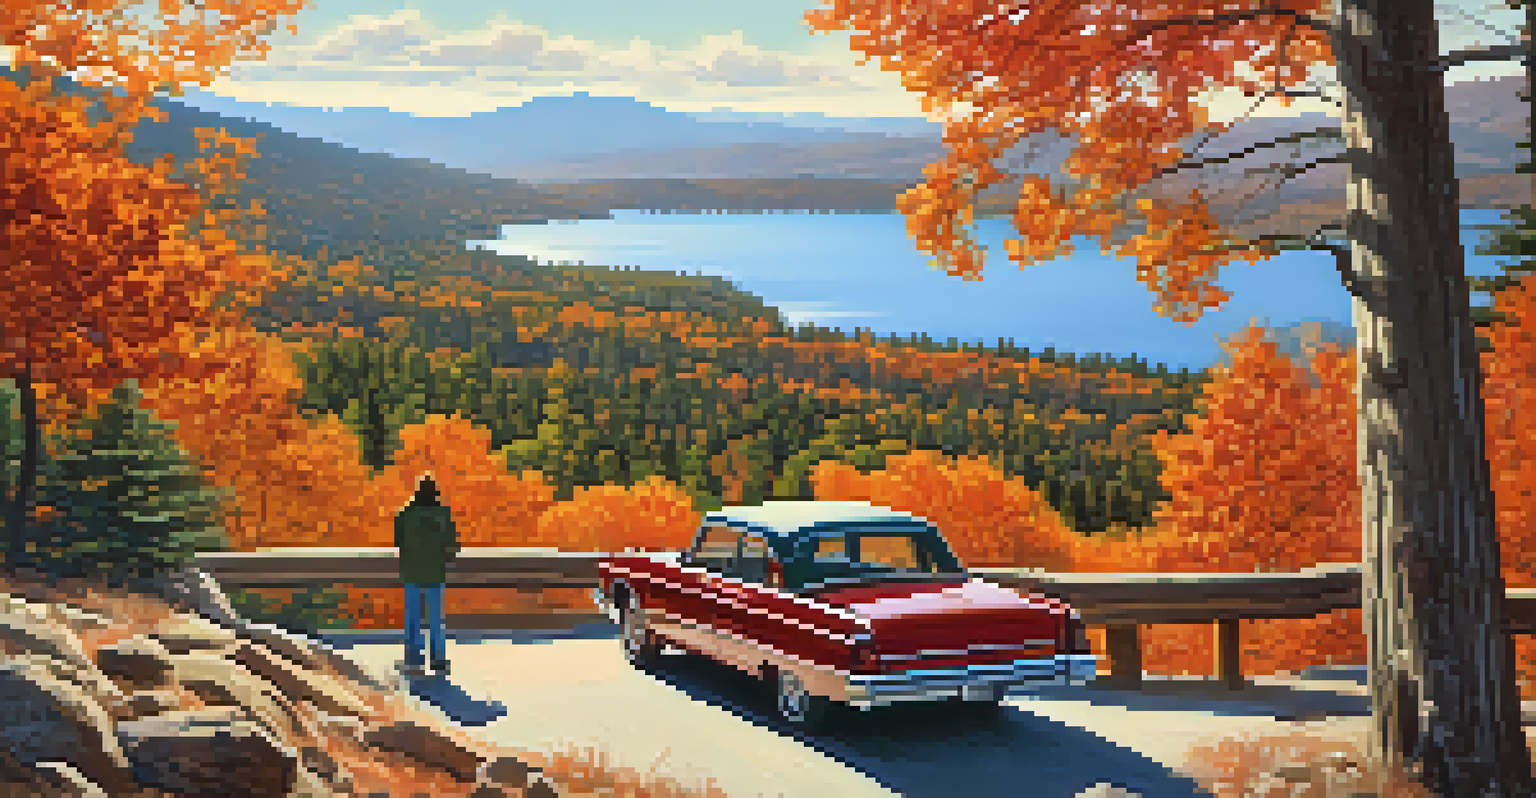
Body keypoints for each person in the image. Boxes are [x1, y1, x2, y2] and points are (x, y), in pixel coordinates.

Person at [394, 473, 459, 677]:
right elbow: (452, 543)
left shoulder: (405, 513)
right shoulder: (443, 514)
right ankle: (438, 658)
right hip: (435, 571)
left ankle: (413, 658)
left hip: (412, 570)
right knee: (435, 618)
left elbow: (398, 540)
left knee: (412, 617)